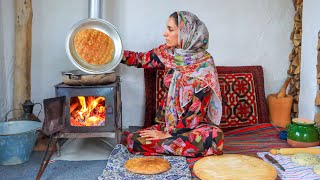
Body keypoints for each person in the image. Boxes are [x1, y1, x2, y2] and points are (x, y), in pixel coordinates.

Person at [121, 11, 223, 157]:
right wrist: (114, 53)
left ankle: (171, 145)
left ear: (185, 33)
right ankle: (179, 147)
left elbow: (196, 113)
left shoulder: (204, 65)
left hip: (194, 128)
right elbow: (140, 59)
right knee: (132, 140)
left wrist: (170, 136)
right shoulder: (168, 53)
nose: (164, 33)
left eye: (170, 29)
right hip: (168, 123)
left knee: (214, 137)